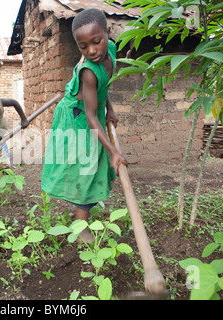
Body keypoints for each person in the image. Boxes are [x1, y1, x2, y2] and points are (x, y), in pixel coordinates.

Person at [41, 8, 128, 243]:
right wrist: (113, 151)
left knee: (94, 165)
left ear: (108, 33)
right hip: (77, 118)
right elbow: (90, 117)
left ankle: (86, 207)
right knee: (86, 168)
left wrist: (109, 108)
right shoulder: (88, 71)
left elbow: (104, 86)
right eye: (83, 47)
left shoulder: (110, 51)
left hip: (92, 111)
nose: (91, 51)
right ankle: (80, 227)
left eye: (96, 42)